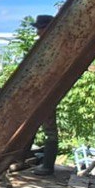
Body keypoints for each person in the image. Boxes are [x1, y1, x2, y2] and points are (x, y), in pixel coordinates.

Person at [32, 15, 63, 176]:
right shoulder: (55, 44)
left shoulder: (51, 46)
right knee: (34, 126)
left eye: (40, 28)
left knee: (49, 128)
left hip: (46, 90)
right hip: (43, 89)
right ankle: (44, 163)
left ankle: (47, 165)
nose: (37, 32)